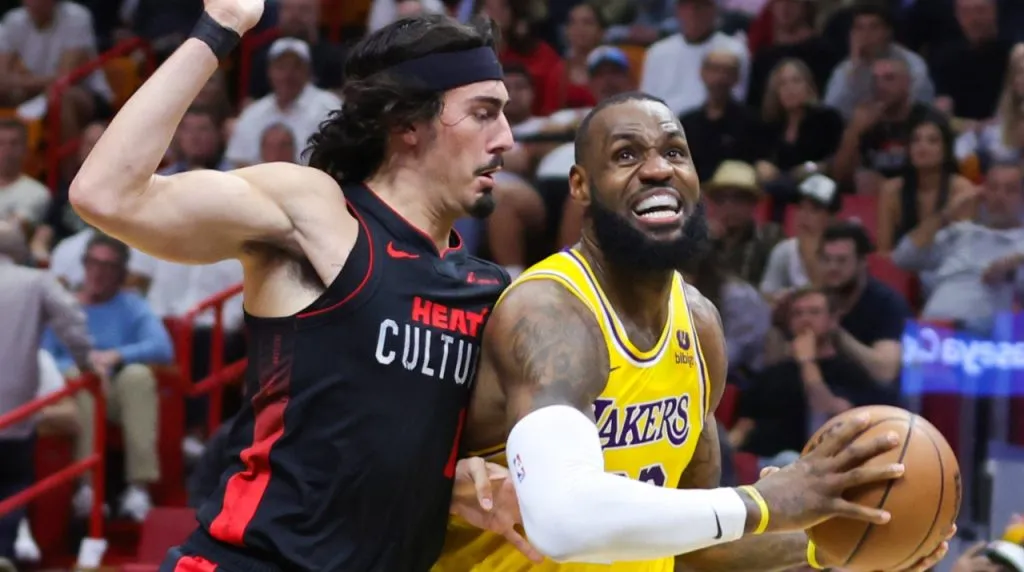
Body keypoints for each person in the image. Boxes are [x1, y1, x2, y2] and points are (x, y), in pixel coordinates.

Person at [69, 3, 534, 570]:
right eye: (484, 113)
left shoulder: (483, 287)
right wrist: (221, 28)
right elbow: (104, 195)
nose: (507, 138)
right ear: (408, 124)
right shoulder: (319, 214)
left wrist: (460, 474)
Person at [434, 92, 951, 571]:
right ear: (580, 186)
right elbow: (564, 521)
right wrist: (764, 502)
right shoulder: (548, 312)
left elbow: (698, 548)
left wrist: (837, 544)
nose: (658, 169)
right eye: (625, 155)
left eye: (676, 153)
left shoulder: (699, 327)